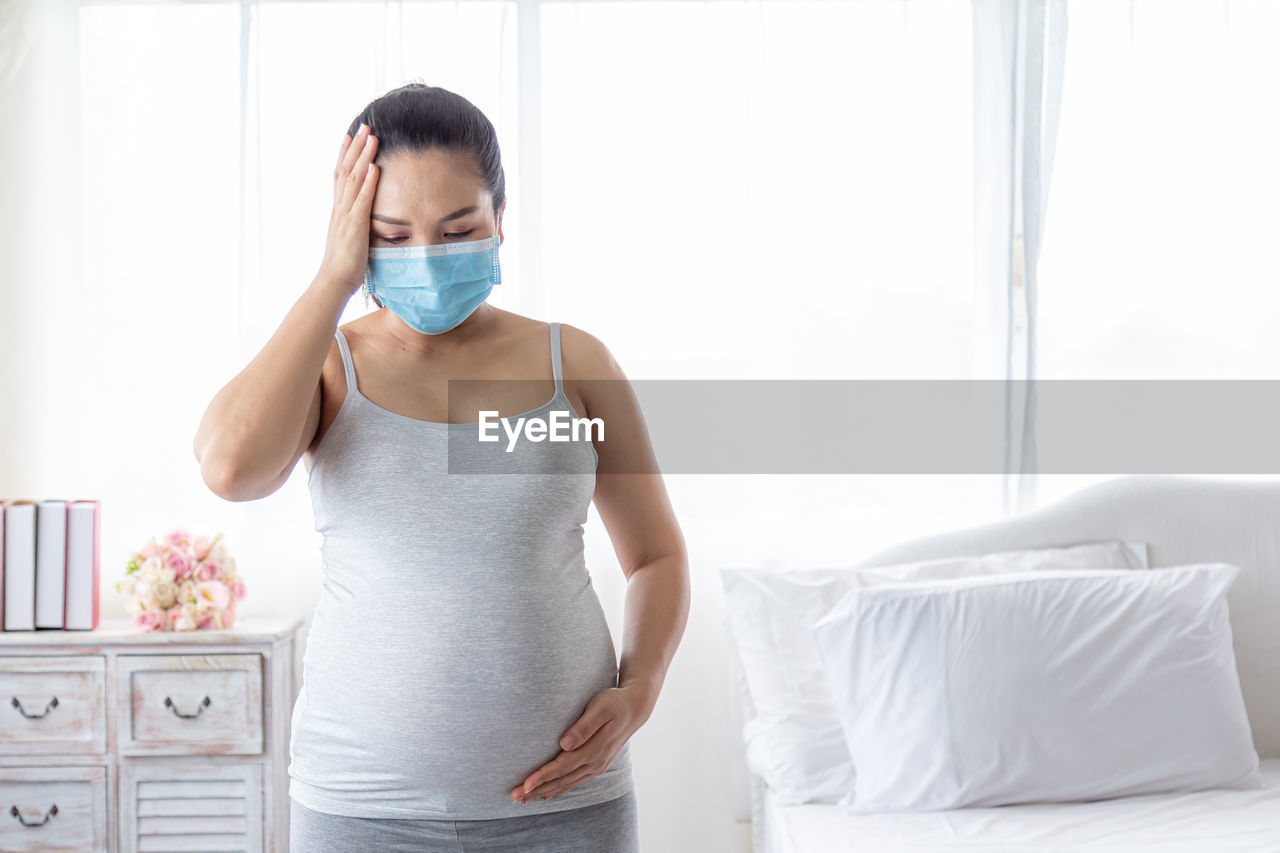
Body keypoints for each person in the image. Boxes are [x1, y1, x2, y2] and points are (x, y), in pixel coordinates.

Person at [192, 82, 690, 852]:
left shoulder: (575, 363)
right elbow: (230, 469)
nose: (425, 259)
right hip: (361, 809)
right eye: (391, 236)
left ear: (500, 222)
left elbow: (656, 554)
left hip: (567, 807)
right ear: (355, 235)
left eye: (458, 229)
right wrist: (331, 281)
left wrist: (642, 689)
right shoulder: (328, 364)